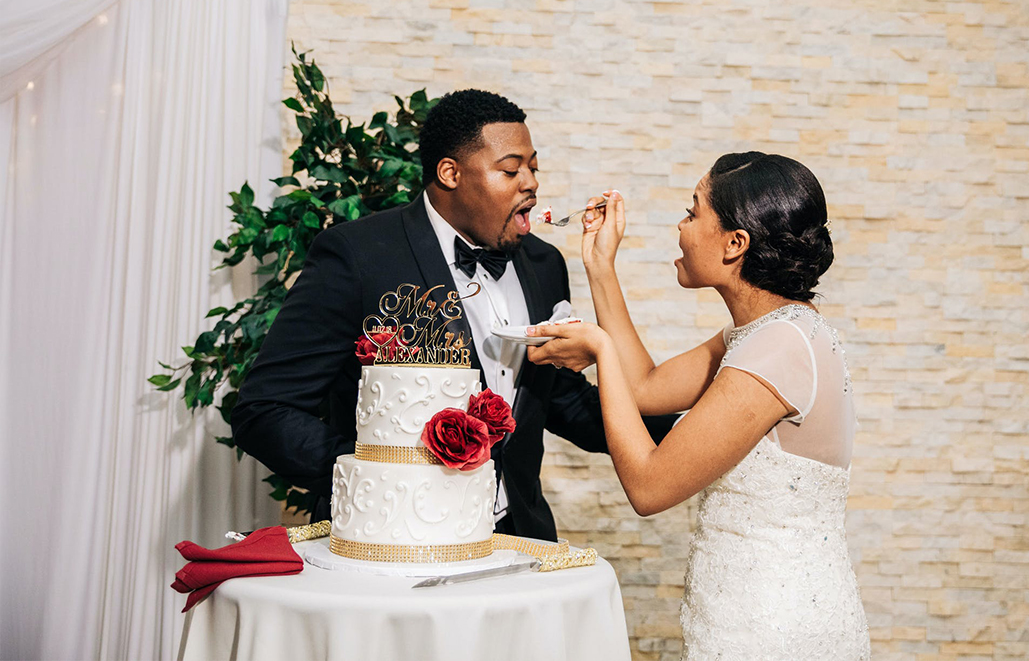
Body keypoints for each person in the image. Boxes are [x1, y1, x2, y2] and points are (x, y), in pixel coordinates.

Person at [231, 89, 675, 540]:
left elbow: (559, 400)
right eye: (510, 169)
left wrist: (682, 426)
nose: (531, 183)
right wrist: (380, 475)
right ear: (450, 173)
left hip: (517, 539)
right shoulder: (359, 255)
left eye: (533, 167)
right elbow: (265, 409)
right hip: (390, 537)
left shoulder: (544, 265)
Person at [528, 152, 871, 659]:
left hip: (772, 626)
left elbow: (649, 486)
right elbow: (644, 387)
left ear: (736, 243)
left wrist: (600, 347)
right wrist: (600, 267)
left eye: (692, 213)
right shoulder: (765, 333)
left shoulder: (778, 349)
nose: (681, 228)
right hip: (747, 608)